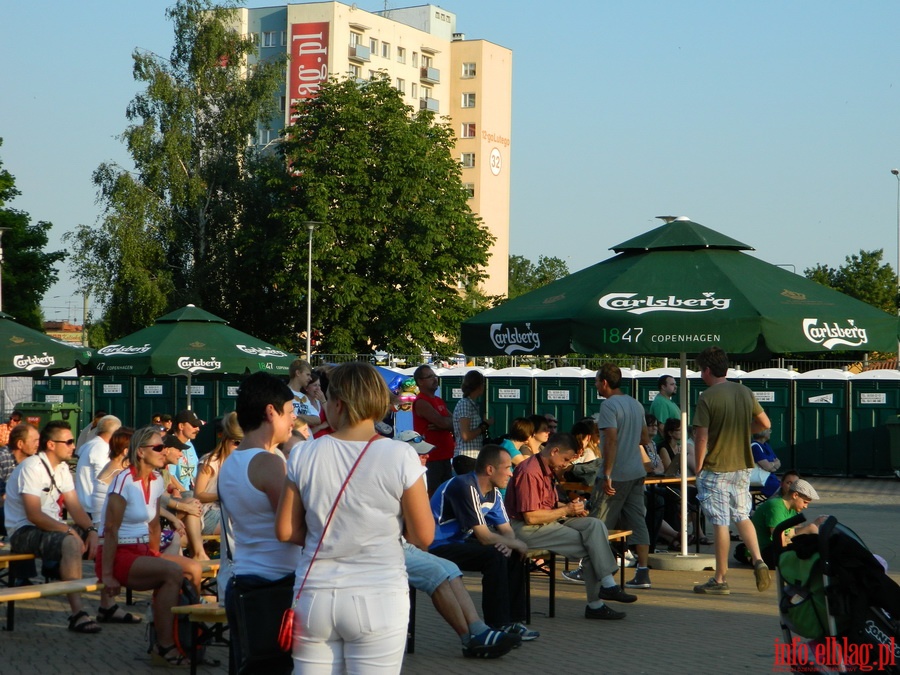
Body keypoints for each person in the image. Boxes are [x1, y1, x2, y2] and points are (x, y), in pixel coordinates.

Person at [276, 361, 434, 673]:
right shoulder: (401, 455)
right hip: (380, 593)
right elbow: (424, 536)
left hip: (315, 595)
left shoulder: (304, 453)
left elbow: (285, 530)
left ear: (337, 403)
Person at [399, 431, 518, 658]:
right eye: (418, 454)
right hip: (417, 545)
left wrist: (511, 543)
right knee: (443, 571)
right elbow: (420, 534)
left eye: (426, 454)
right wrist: (514, 543)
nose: (424, 459)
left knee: (456, 568)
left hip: (411, 544)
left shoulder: (417, 478)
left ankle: (486, 629)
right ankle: (472, 638)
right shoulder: (460, 484)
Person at [97, 425, 202, 666]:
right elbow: (111, 529)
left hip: (143, 551)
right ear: (141, 452)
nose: (163, 451)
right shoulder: (123, 481)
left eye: (163, 447)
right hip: (118, 554)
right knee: (173, 572)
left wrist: (154, 555)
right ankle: (164, 646)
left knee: (194, 569)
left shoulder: (155, 481)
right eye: (158, 447)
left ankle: (188, 639)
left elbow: (154, 526)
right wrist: (107, 575)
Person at [218, 371, 301, 674]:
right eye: (290, 411)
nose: (293, 419)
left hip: (244, 579)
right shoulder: (268, 462)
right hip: (275, 586)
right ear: (270, 412)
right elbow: (293, 526)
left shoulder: (230, 463)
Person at [505, 432, 635, 620]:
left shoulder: (546, 469)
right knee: (592, 547)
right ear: (554, 451)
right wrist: (566, 509)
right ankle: (596, 602)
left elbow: (546, 505)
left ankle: (607, 584)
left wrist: (573, 509)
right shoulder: (530, 472)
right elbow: (531, 516)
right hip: (523, 528)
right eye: (565, 459)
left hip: (546, 521)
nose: (566, 464)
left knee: (594, 525)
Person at [429, 444, 537, 641]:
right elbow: (484, 536)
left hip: (459, 543)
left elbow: (507, 531)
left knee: (512, 553)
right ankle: (498, 624)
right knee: (494, 555)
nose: (511, 474)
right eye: (507, 468)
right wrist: (515, 543)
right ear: (490, 469)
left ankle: (513, 621)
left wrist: (511, 544)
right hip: (436, 546)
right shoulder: (464, 486)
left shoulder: (494, 493)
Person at [3, 420, 103, 632]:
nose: (73, 446)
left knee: (106, 538)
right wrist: (69, 531)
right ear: (50, 444)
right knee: (69, 542)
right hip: (23, 531)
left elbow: (75, 508)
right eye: (68, 442)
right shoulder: (31, 468)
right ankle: (77, 613)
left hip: (49, 528)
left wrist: (92, 531)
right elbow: (34, 515)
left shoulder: (63, 468)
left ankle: (108, 606)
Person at [691, 346, 772, 596]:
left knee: (720, 523)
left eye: (700, 370)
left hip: (717, 467)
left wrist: (699, 467)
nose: (700, 374)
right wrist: (740, 431)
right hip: (743, 466)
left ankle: (720, 579)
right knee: (742, 514)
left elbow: (701, 438)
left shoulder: (707, 397)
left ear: (707, 370)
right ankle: (758, 559)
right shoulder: (745, 391)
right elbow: (764, 424)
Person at [590, 363, 653, 590]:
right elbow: (645, 438)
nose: (596, 385)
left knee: (597, 522)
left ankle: (593, 569)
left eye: (597, 381)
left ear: (604, 383)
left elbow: (611, 441)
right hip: (637, 472)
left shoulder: (608, 405)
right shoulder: (635, 404)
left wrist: (607, 472)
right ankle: (643, 572)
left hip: (616, 474)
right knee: (637, 520)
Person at [736, 478, 820, 567]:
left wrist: (810, 529)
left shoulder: (791, 509)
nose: (806, 506)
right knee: (806, 551)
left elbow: (790, 533)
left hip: (773, 547)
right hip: (763, 553)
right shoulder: (776, 507)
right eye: (805, 502)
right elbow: (779, 541)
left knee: (812, 530)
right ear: (795, 495)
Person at [194, 411, 242, 538]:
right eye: (237, 443)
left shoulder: (239, 462)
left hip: (228, 511)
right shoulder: (210, 462)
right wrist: (222, 494)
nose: (240, 447)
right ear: (225, 439)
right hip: (209, 513)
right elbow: (198, 494)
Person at [412, 365, 456, 493]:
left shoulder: (438, 400)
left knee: (446, 494)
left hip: (445, 456)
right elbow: (443, 422)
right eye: (430, 377)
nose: (435, 379)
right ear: (420, 381)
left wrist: (445, 424)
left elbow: (455, 422)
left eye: (434, 376)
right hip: (431, 458)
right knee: (435, 495)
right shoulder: (421, 402)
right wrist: (444, 424)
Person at [74, 415, 122, 517]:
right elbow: (103, 480)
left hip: (87, 506)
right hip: (94, 508)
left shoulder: (91, 444)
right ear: (116, 432)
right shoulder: (101, 448)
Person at [452, 370, 492, 460]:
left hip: (473, 456)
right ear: (479, 386)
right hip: (466, 456)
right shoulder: (465, 404)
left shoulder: (471, 404)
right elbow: (466, 436)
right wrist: (484, 426)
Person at [167, 410, 202, 495]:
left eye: (198, 426)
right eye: (194, 426)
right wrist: (185, 493)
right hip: (179, 495)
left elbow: (196, 472)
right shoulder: (170, 445)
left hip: (192, 492)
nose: (198, 429)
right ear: (181, 426)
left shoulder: (189, 445)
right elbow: (169, 476)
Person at [287, 358, 322, 429]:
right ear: (298, 373)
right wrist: (307, 418)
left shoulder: (304, 397)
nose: (310, 378)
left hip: (308, 438)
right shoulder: (283, 393)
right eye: (307, 375)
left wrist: (298, 416)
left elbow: (317, 419)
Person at [750, 428, 782, 497]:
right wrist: (773, 465)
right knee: (781, 490)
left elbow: (778, 463)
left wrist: (771, 466)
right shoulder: (755, 447)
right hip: (761, 481)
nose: (770, 432)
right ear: (763, 432)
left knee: (785, 486)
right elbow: (767, 467)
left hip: (769, 478)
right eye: (769, 430)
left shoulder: (766, 445)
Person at [648, 375, 680, 443]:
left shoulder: (668, 401)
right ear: (663, 387)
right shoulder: (660, 402)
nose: (675, 386)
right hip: (667, 448)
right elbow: (661, 427)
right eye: (672, 384)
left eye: (675, 384)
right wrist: (671, 446)